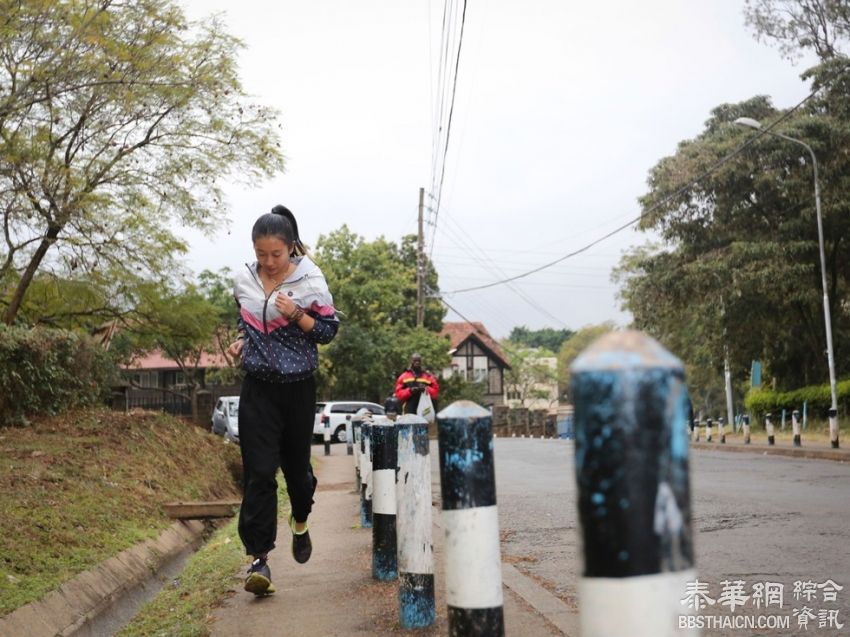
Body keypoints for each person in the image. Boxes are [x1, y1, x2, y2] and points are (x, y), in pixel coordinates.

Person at [227, 204, 339, 596]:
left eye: (276, 254)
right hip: (258, 388)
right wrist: (242, 338)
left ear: (291, 249)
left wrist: (295, 315)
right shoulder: (244, 279)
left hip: (297, 389)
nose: (269, 263)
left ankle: (301, 520)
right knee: (258, 473)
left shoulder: (310, 281)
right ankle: (259, 559)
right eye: (261, 255)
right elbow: (244, 316)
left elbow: (327, 331)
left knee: (296, 474)